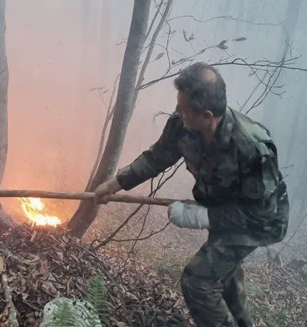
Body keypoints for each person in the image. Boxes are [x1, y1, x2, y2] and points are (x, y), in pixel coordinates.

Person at [94, 62, 289, 327]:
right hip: (223, 208)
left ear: (207, 115)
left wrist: (202, 217)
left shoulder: (251, 148)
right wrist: (115, 183)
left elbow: (260, 214)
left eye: (184, 109)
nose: (177, 111)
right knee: (225, 276)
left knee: (198, 281)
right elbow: (156, 158)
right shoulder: (183, 126)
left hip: (260, 222)